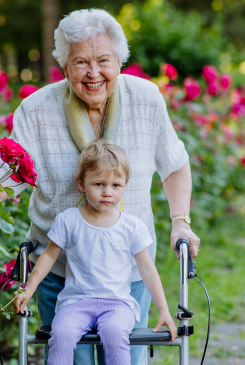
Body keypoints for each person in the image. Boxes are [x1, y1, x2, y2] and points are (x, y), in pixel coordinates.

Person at [0, 8, 199, 365]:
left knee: (126, 358)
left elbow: (174, 165)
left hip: (128, 272)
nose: (93, 72)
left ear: (119, 62)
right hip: (61, 273)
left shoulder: (146, 99)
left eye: (103, 60)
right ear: (65, 68)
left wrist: (181, 220)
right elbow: (8, 172)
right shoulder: (36, 110)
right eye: (81, 62)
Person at [13, 140, 177, 365]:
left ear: (125, 185)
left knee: (115, 334)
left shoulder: (132, 226)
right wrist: (28, 289)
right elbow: (49, 256)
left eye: (115, 185)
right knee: (60, 336)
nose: (107, 192)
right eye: (99, 184)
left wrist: (164, 310)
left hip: (118, 304)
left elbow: (147, 269)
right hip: (75, 302)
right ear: (81, 183)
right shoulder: (68, 220)